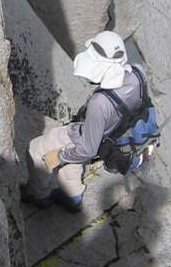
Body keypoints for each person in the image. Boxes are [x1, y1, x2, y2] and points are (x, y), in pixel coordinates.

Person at [25, 30, 145, 210]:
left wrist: (59, 156)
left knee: (36, 149)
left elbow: (88, 150)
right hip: (112, 131)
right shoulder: (137, 73)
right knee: (73, 161)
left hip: (87, 134)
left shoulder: (99, 103)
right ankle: (72, 196)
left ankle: (37, 194)